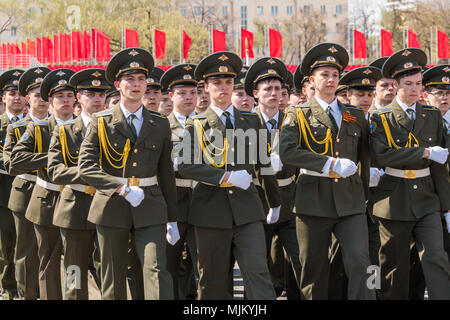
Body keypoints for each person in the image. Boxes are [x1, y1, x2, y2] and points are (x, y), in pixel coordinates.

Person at [178, 51, 281, 300]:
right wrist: (225, 177)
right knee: (212, 281)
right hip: (209, 212)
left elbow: (263, 164)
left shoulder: (250, 120)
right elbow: (185, 166)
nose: (223, 88)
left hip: (247, 211)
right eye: (217, 83)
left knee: (258, 274)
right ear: (206, 88)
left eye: (228, 83)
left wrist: (274, 202)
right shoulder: (197, 123)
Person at [78, 48, 178, 300]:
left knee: (155, 268)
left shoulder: (160, 122)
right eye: (130, 79)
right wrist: (120, 188)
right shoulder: (101, 121)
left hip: (150, 204)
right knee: (113, 273)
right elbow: (86, 166)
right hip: (112, 205)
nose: (136, 85)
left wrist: (172, 218)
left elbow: (165, 172)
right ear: (118, 85)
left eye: (141, 79)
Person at [279, 43, 375, 300]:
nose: (331, 79)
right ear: (312, 80)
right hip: (313, 201)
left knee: (360, 261)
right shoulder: (297, 113)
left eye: (335, 75)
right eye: (324, 75)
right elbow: (288, 152)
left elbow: (364, 156)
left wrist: (365, 193)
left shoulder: (354, 114)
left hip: (350, 201)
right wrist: (329, 164)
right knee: (313, 269)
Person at [370, 48, 450, 299]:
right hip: (394, 199)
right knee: (394, 265)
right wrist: (424, 152)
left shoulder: (432, 114)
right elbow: (382, 155)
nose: (415, 89)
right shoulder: (380, 117)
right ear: (395, 84)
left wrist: (447, 208)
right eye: (408, 84)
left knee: (436, 257)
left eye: (418, 83)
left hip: (427, 199)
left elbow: (440, 168)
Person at [11, 68, 77, 300]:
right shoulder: (38, 127)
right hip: (47, 200)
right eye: (60, 96)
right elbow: (15, 161)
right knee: (46, 259)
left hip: (77, 200)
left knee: (74, 260)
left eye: (70, 95)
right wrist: (51, 157)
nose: (66, 101)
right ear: (51, 100)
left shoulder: (86, 127)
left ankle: (73, 295)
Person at [47, 68, 110, 300]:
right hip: (75, 207)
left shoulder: (115, 129)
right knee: (75, 269)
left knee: (108, 268)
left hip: (108, 206)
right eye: (90, 94)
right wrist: (89, 174)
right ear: (79, 98)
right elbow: (55, 171)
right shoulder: (64, 131)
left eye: (101, 94)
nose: (97, 99)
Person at [244, 57, 302, 300]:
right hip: (258, 200)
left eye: (278, 89)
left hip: (289, 199)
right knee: (258, 263)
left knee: (300, 259)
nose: (274, 93)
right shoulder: (244, 121)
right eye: (267, 89)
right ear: (256, 93)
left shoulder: (292, 120)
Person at [327, 66, 383, 299]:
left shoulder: (381, 120)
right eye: (361, 95)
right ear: (348, 95)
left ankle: (374, 294)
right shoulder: (344, 121)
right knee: (339, 258)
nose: (366, 100)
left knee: (373, 256)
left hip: (378, 201)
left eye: (370, 94)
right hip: (346, 200)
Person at [3, 67, 51, 300]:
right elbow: (12, 164)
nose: (41, 100)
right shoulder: (17, 128)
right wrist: (52, 158)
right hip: (25, 192)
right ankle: (24, 293)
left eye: (45, 94)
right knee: (25, 251)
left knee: (52, 252)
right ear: (27, 98)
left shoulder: (63, 126)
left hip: (56, 195)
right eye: (36, 94)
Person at [160, 63, 199, 299]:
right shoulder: (161, 125)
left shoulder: (209, 123)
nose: (188, 97)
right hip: (173, 201)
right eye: (182, 93)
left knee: (205, 262)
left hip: (204, 200)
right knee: (170, 263)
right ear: (171, 96)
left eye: (193, 92)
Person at [0, 69, 26, 300]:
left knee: (28, 246)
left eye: (20, 93)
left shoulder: (35, 124)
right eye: (11, 93)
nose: (16, 97)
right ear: (4, 98)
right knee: (6, 246)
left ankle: (29, 289)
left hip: (29, 192)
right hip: (3, 193)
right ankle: (8, 290)